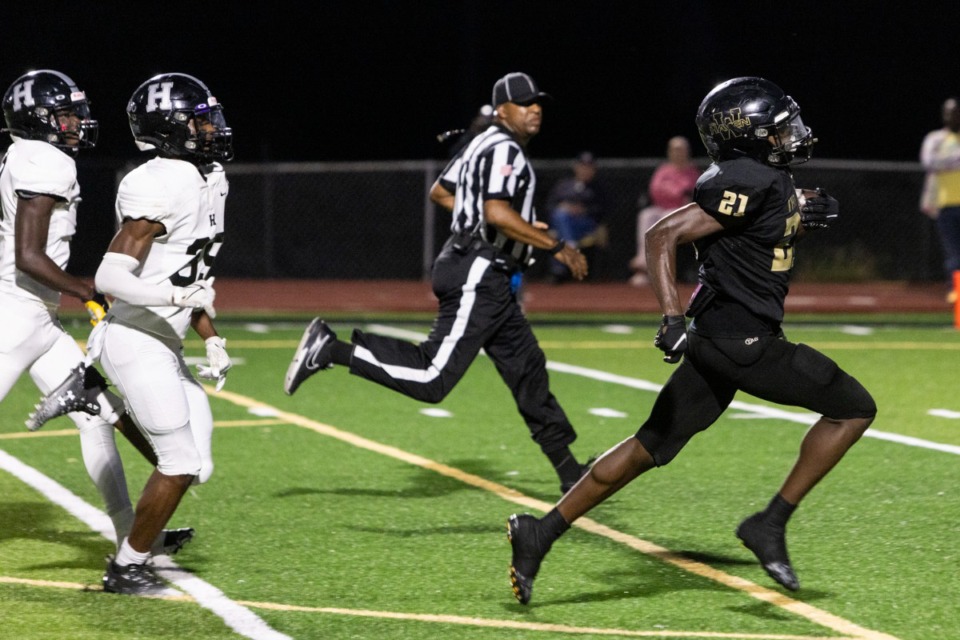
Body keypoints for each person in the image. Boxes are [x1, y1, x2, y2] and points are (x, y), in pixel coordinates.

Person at [506, 77, 877, 604]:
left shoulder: (760, 180)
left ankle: (538, 533)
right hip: (741, 340)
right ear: (748, 137)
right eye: (778, 129)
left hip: (720, 337)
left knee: (647, 447)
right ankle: (769, 523)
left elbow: (750, 221)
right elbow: (662, 234)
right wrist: (670, 316)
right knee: (854, 408)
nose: (791, 135)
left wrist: (795, 211)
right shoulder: (748, 179)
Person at [285, 71, 593, 495]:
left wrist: (508, 226)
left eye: (537, 101)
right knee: (432, 378)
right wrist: (555, 244)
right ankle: (331, 348)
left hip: (484, 270)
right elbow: (497, 212)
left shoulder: (479, 143)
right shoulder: (504, 147)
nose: (535, 108)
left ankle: (568, 470)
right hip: (478, 271)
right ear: (502, 110)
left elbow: (442, 191)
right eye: (524, 103)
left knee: (527, 369)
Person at [0, 70, 193, 558]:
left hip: (35, 319)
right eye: (65, 114)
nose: (76, 123)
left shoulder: (27, 154)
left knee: (94, 417)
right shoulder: (45, 160)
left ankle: (130, 534)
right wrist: (87, 291)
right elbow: (29, 255)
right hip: (15, 316)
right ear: (38, 118)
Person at [73, 72, 233, 595]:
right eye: (200, 120)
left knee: (198, 467)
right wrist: (174, 300)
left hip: (167, 339)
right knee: (180, 461)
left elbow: (193, 275)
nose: (212, 128)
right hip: (133, 338)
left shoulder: (211, 178)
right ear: (170, 129)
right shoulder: (159, 180)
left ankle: (97, 400)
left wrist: (209, 334)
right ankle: (127, 567)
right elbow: (110, 277)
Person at [630, 136, 700, 286]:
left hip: (684, 216)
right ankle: (643, 265)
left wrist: (669, 190)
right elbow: (655, 191)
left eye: (681, 150)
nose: (678, 153)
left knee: (667, 216)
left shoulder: (692, 172)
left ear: (687, 152)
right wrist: (676, 191)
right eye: (674, 150)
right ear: (669, 152)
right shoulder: (663, 170)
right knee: (646, 215)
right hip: (661, 210)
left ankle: (662, 271)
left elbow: (689, 196)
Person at [919, 97, 960, 301]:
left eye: (955, 112)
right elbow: (929, 162)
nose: (951, 116)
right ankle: (956, 291)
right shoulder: (935, 139)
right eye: (947, 112)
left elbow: (940, 163)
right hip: (946, 205)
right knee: (953, 253)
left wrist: (946, 162)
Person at [545, 151, 607, 282]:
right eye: (582, 166)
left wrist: (583, 210)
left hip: (586, 225)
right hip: (564, 225)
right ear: (576, 167)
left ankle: (561, 265)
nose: (585, 170)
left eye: (589, 167)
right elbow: (550, 206)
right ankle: (569, 246)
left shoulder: (598, 187)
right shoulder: (563, 185)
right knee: (560, 215)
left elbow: (603, 209)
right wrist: (564, 207)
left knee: (561, 221)